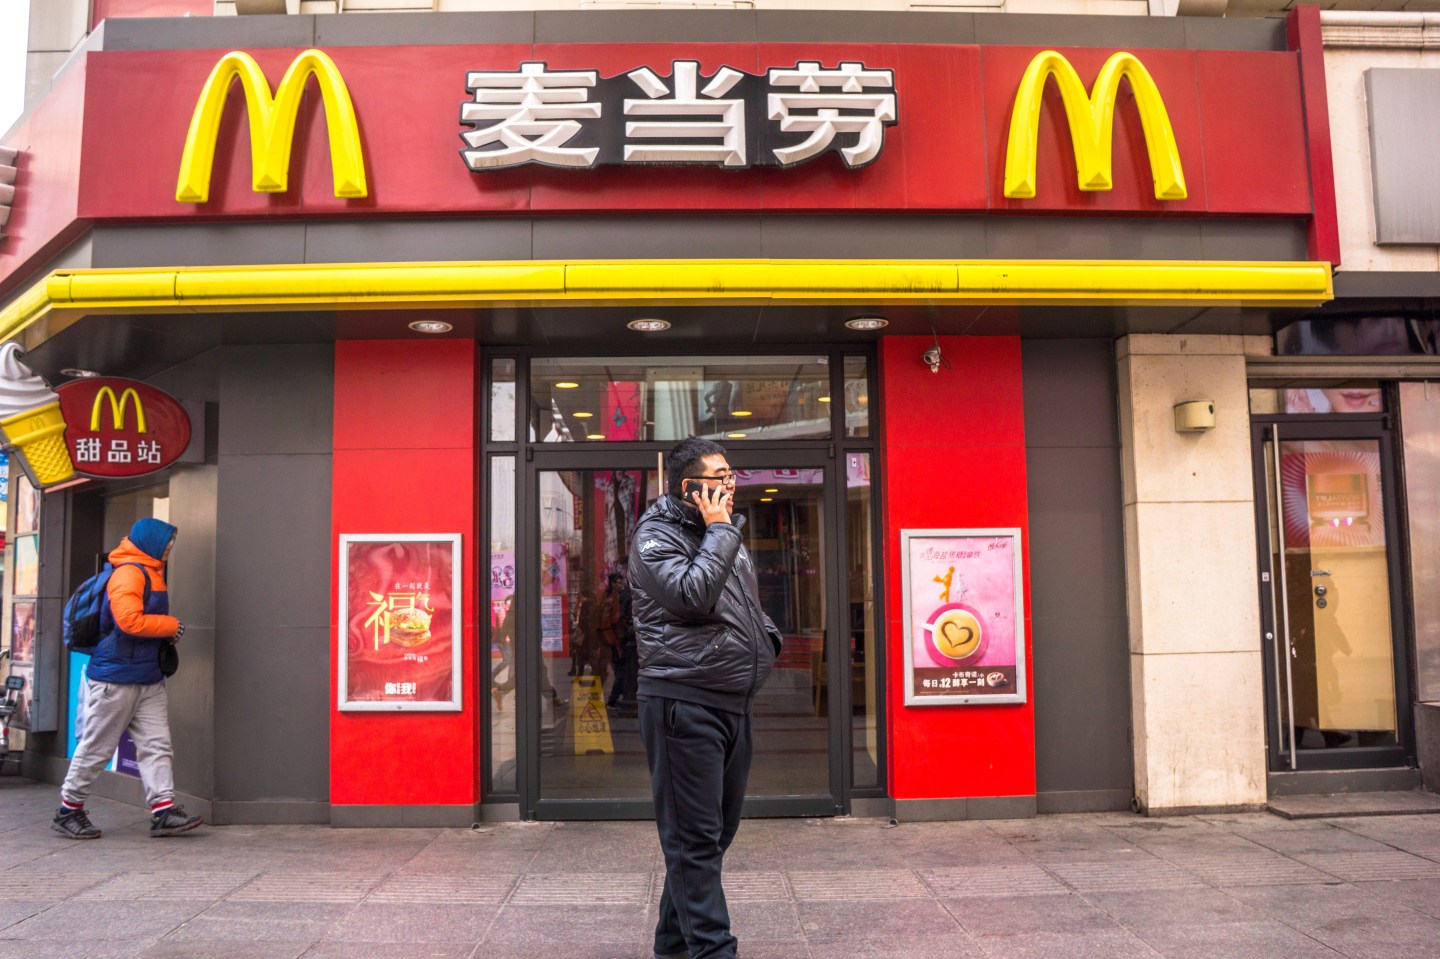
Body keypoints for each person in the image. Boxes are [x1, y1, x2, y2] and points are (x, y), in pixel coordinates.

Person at [628, 437, 783, 959]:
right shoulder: (654, 537)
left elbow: (744, 604)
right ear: (690, 485)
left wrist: (768, 639)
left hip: (731, 702)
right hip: (681, 702)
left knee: (715, 834)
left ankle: (673, 944)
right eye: (719, 475)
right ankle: (714, 950)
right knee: (694, 840)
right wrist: (718, 531)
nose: (730, 483)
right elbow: (691, 596)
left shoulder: (724, 536)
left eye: (731, 474)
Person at [51, 518, 202, 840]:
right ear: (150, 541)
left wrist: (164, 635)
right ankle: (68, 810)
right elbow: (129, 622)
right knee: (97, 747)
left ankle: (163, 810)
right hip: (116, 677)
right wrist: (170, 626)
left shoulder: (149, 571)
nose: (170, 548)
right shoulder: (129, 572)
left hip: (146, 675)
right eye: (167, 542)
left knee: (156, 745)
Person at [601, 572, 637, 711]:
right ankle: (613, 699)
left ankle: (617, 697)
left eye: (621, 582)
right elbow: (621, 617)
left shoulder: (609, 596)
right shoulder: (620, 597)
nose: (620, 585)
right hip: (620, 639)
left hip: (613, 638)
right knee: (623, 668)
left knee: (620, 668)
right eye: (618, 582)